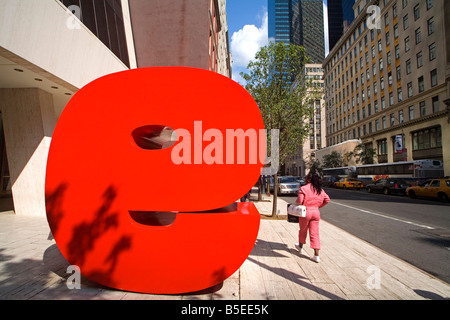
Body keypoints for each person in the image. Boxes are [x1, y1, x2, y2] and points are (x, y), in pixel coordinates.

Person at [294, 172, 330, 263]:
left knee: (303, 230)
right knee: (314, 233)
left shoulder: (304, 188)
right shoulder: (320, 190)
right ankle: (316, 255)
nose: (305, 179)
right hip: (316, 212)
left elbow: (300, 200)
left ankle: (300, 246)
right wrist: (319, 206)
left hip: (305, 212)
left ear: (309, 179)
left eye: (306, 178)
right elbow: (327, 199)